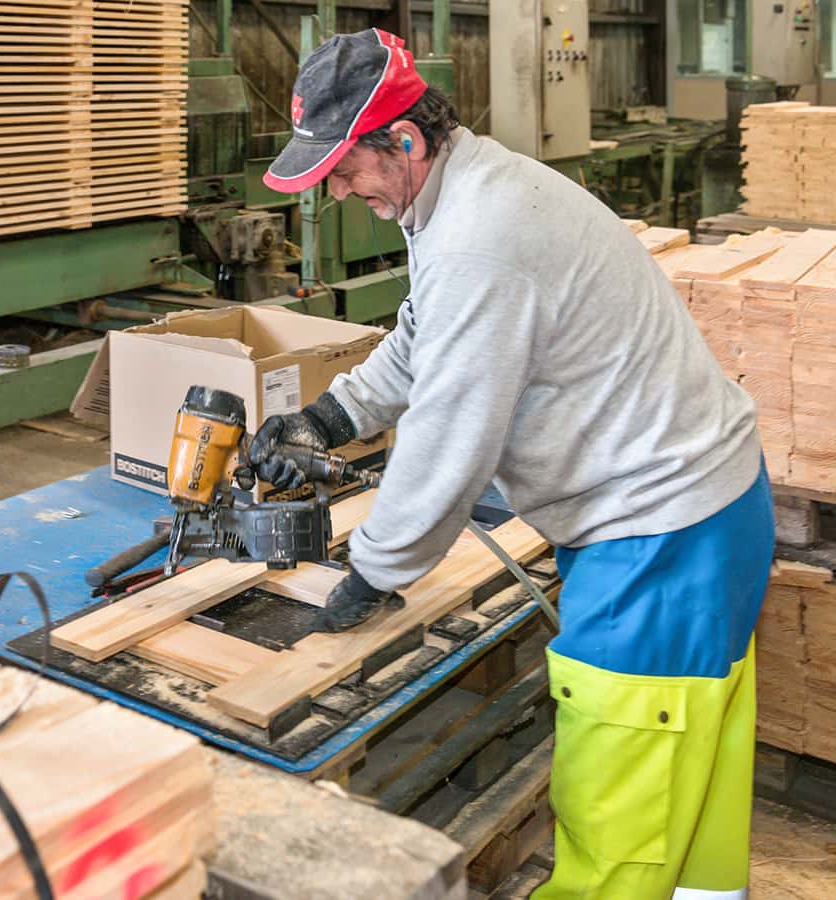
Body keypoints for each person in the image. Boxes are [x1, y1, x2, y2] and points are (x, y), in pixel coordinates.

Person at [250, 27, 773, 900]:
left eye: (346, 168)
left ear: (405, 141)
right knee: (686, 790)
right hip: (704, 514)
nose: (340, 191)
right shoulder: (467, 191)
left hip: (660, 542)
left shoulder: (481, 238)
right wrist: (330, 415)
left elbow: (453, 435)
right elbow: (426, 336)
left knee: (619, 823)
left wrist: (372, 572)